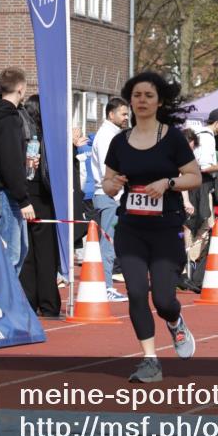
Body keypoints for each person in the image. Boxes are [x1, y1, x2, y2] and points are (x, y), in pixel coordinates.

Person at [102, 70, 201, 383]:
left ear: (159, 102)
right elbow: (107, 184)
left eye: (148, 96)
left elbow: (194, 176)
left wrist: (168, 182)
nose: (141, 101)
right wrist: (113, 183)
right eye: (136, 96)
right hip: (130, 227)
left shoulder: (171, 138)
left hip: (165, 227)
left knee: (163, 299)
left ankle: (174, 321)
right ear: (130, 102)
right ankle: (150, 360)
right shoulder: (120, 141)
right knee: (134, 291)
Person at [0, 67, 36, 274]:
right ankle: (3, 303)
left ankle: (10, 301)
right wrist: (23, 199)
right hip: (7, 193)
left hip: (3, 191)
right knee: (11, 255)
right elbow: (10, 162)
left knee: (20, 251)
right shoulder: (9, 119)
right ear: (20, 89)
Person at [20, 95, 61, 318]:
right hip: (43, 196)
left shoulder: (22, 134)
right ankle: (48, 303)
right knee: (46, 252)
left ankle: (29, 300)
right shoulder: (48, 136)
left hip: (26, 194)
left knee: (28, 251)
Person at [91, 97, 130, 302]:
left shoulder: (112, 134)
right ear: (111, 114)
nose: (126, 118)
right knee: (108, 243)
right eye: (123, 114)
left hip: (111, 196)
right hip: (109, 196)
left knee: (111, 242)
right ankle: (105, 286)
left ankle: (106, 284)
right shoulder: (107, 136)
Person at [195, 108, 218, 213]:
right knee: (202, 226)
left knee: (205, 225)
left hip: (199, 187)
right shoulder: (207, 137)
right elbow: (204, 167)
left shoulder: (202, 135)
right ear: (216, 123)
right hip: (200, 187)